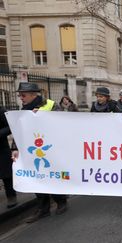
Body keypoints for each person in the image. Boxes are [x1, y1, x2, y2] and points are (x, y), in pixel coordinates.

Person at [11, 82, 68, 223]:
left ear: (33, 94)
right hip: (31, 151)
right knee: (37, 178)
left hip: (50, 149)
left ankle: (61, 202)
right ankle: (43, 209)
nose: (21, 98)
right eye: (19, 95)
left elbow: (63, 123)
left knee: (53, 176)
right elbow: (19, 129)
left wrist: (43, 117)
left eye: (23, 95)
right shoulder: (23, 109)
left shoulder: (50, 105)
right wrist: (15, 148)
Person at [0, 106, 17, 209]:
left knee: (6, 175)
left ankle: (11, 196)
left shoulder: (1, 110)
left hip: (1, 148)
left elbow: (10, 126)